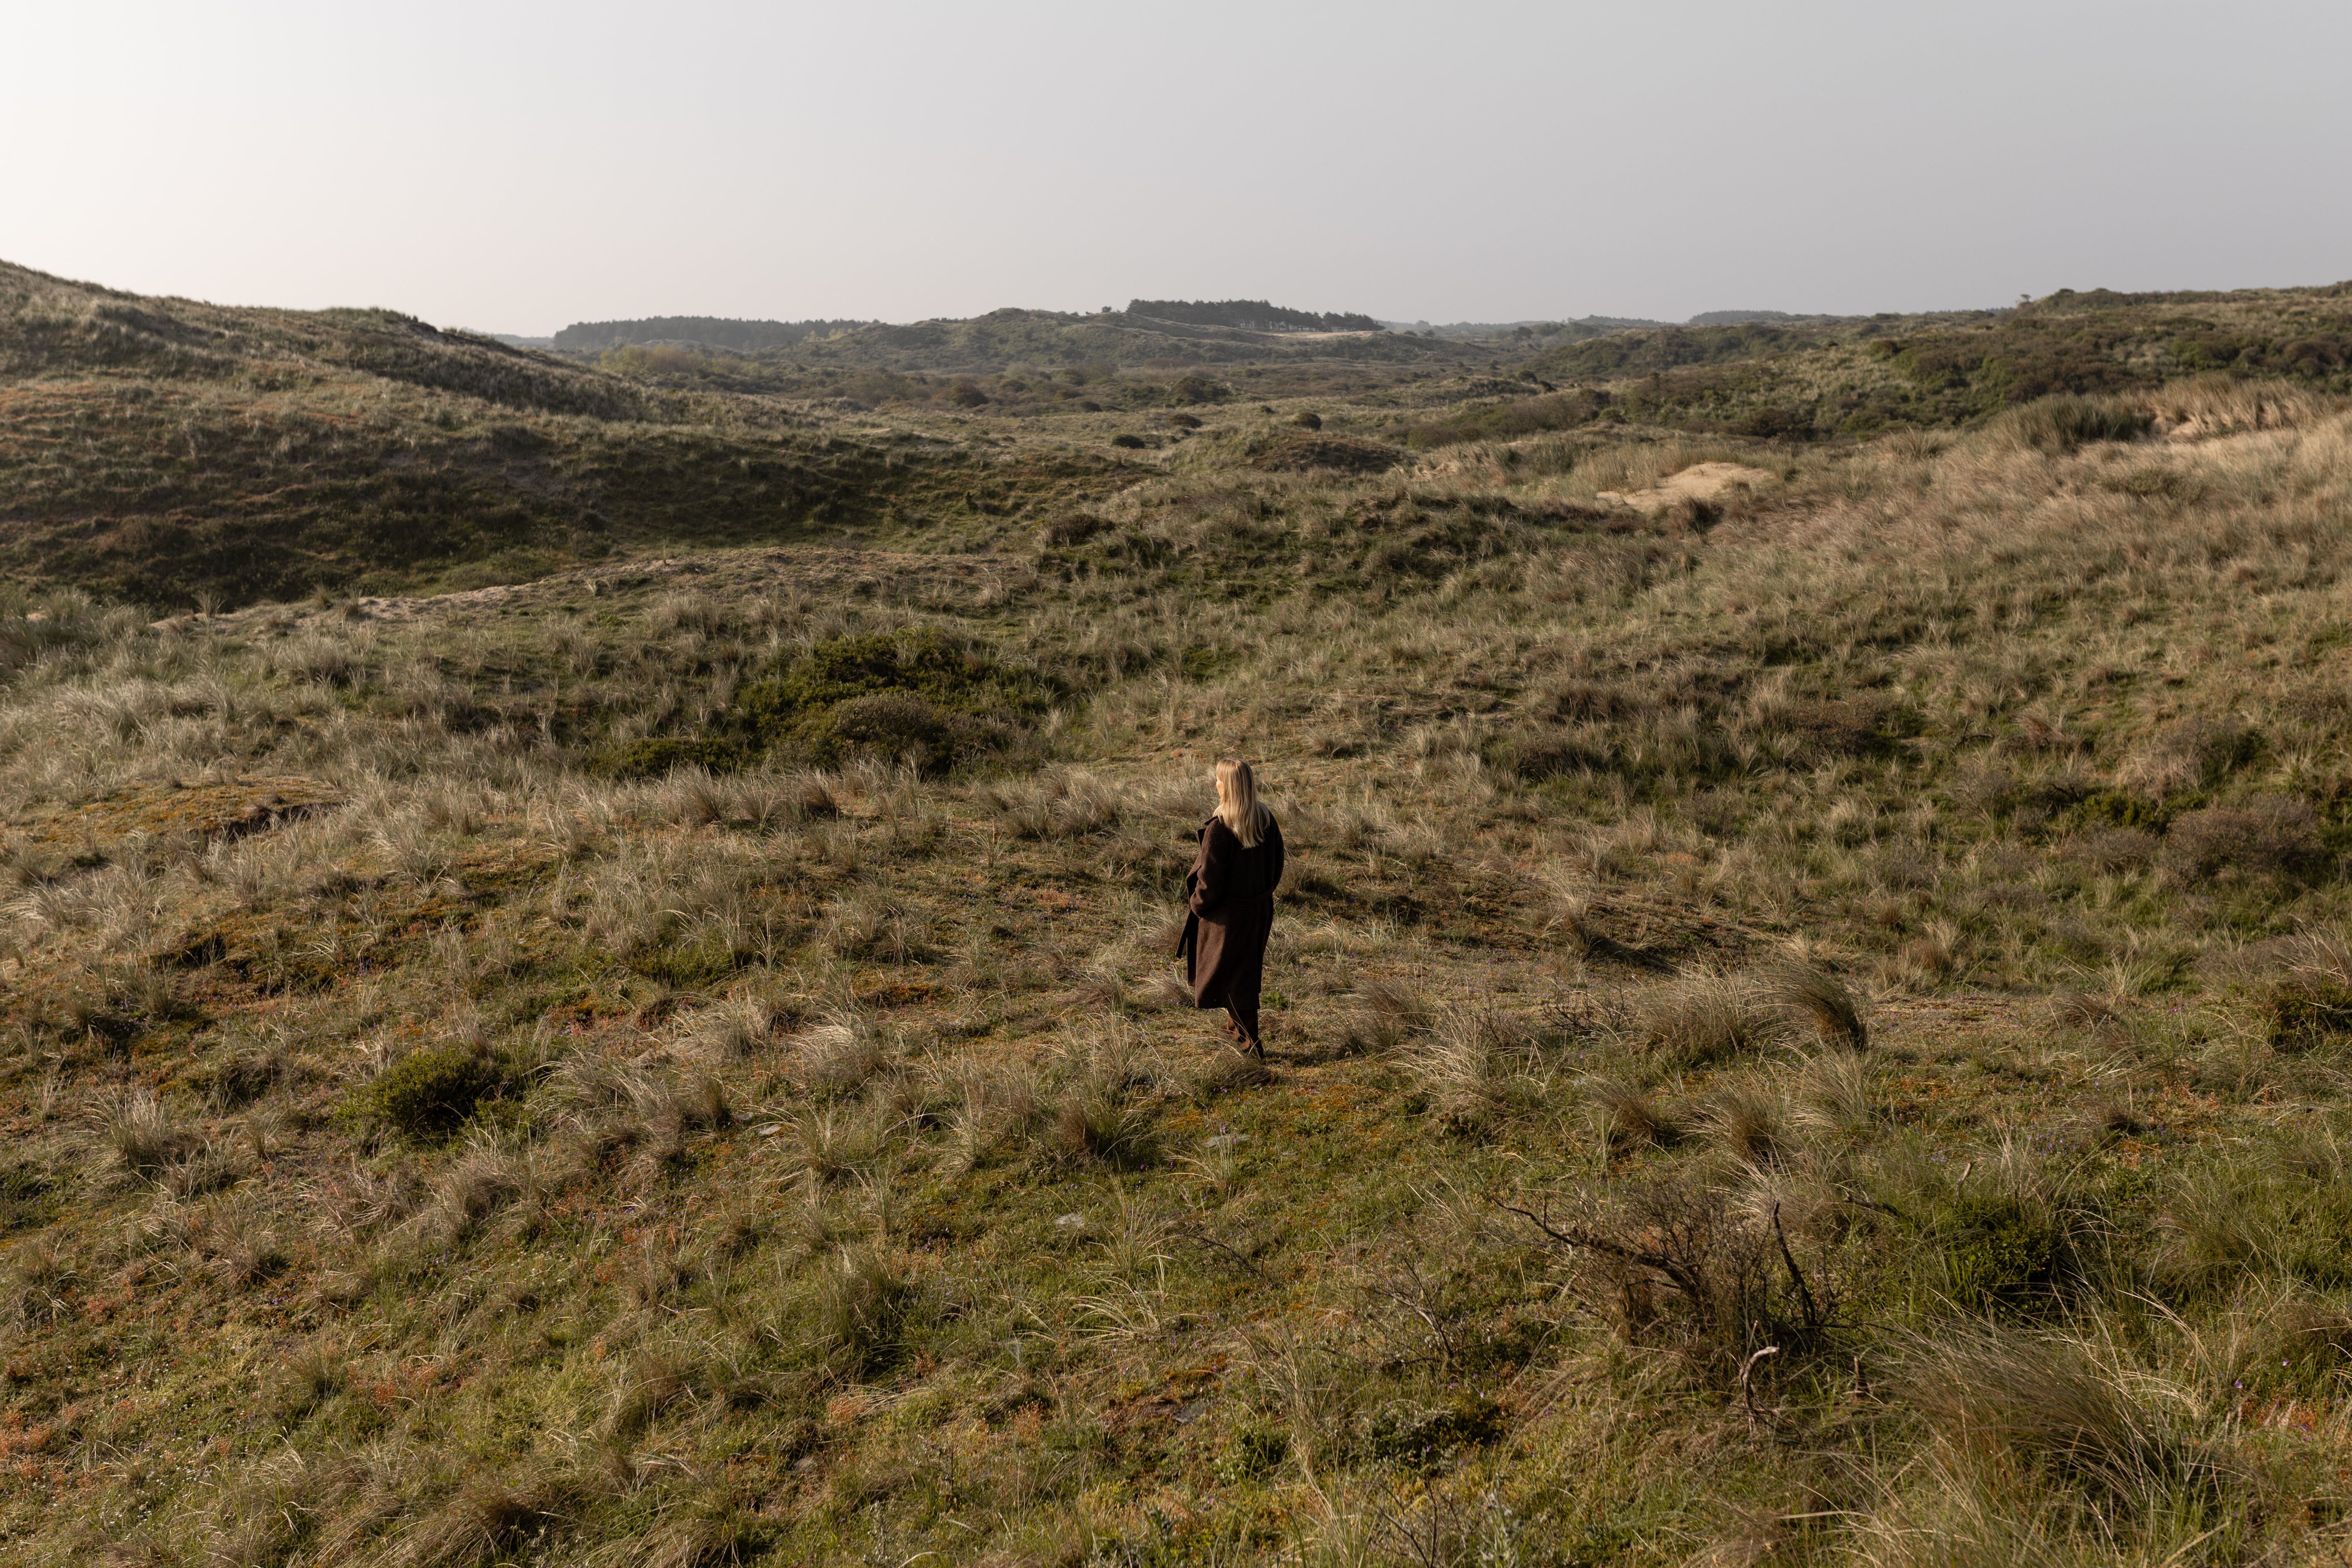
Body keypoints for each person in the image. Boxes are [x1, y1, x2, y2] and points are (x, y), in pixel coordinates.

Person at [1179, 758, 1285, 1057]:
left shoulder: (1220, 828)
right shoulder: (1265, 819)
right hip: (1258, 912)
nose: (1215, 784)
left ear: (1225, 786)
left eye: (1218, 780)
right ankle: (1233, 1030)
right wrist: (1262, 896)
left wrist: (1198, 906)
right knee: (1241, 972)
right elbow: (1277, 866)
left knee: (1236, 979)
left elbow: (1210, 881)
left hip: (1226, 918)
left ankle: (1250, 1047)